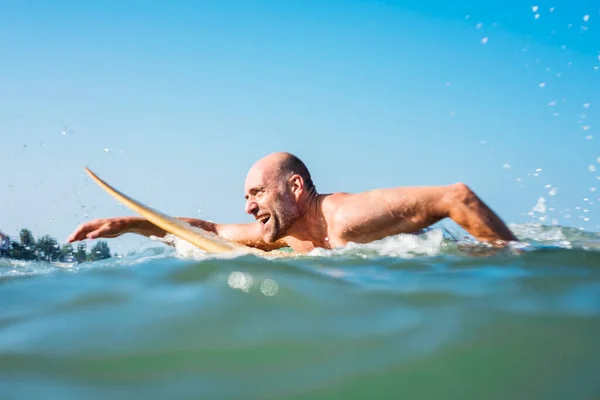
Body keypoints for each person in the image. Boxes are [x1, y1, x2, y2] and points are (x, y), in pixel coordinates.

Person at [67, 152, 518, 253]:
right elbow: (207, 231)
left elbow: (456, 196)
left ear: (296, 188)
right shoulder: (281, 236)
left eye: (257, 194)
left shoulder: (349, 217)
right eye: (245, 198)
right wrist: (129, 223)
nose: (248, 208)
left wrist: (508, 261)